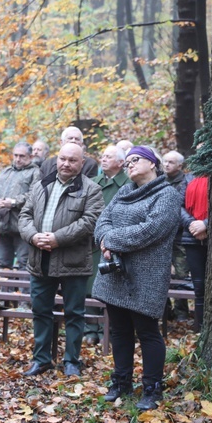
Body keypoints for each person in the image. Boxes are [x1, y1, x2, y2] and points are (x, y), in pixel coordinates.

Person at [92, 145, 182, 411]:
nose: (128, 165)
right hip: (116, 272)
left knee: (147, 332)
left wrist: (111, 239)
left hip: (147, 275)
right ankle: (122, 382)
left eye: (135, 160)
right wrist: (104, 237)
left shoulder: (167, 195)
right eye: (127, 161)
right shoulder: (125, 191)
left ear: (152, 163)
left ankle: (152, 388)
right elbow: (103, 220)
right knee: (119, 330)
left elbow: (151, 230)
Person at [18, 143, 104, 377]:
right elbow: (24, 215)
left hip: (73, 262)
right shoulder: (40, 184)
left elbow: (89, 222)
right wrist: (33, 236)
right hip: (40, 259)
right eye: (62, 159)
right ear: (57, 159)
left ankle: (71, 361)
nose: (66, 164)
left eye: (72, 160)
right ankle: (42, 359)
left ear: (82, 162)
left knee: (74, 313)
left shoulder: (91, 189)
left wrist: (58, 238)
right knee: (41, 311)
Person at [84, 145, 130, 344]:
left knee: (109, 287)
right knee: (88, 286)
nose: (103, 159)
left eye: (108, 157)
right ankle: (89, 330)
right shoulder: (93, 182)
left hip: (114, 244)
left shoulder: (128, 184)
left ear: (121, 162)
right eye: (102, 156)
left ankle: (107, 331)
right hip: (90, 243)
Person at [0, 142, 41, 269]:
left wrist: (13, 202)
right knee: (3, 263)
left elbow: (34, 195)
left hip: (23, 226)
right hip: (2, 225)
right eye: (15, 155)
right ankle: (4, 289)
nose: (18, 159)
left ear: (30, 156)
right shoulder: (6, 172)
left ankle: (23, 290)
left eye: (22, 156)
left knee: (24, 262)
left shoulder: (35, 172)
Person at [163, 150, 193, 319]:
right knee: (161, 273)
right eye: (165, 161)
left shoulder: (187, 182)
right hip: (162, 236)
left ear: (180, 165)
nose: (166, 165)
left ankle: (181, 312)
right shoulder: (159, 181)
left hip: (180, 235)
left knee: (182, 274)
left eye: (171, 162)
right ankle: (164, 311)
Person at [181, 175, 208, 332]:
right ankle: (201, 333)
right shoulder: (188, 178)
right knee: (199, 288)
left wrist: (206, 224)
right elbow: (179, 206)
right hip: (192, 239)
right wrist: (192, 224)